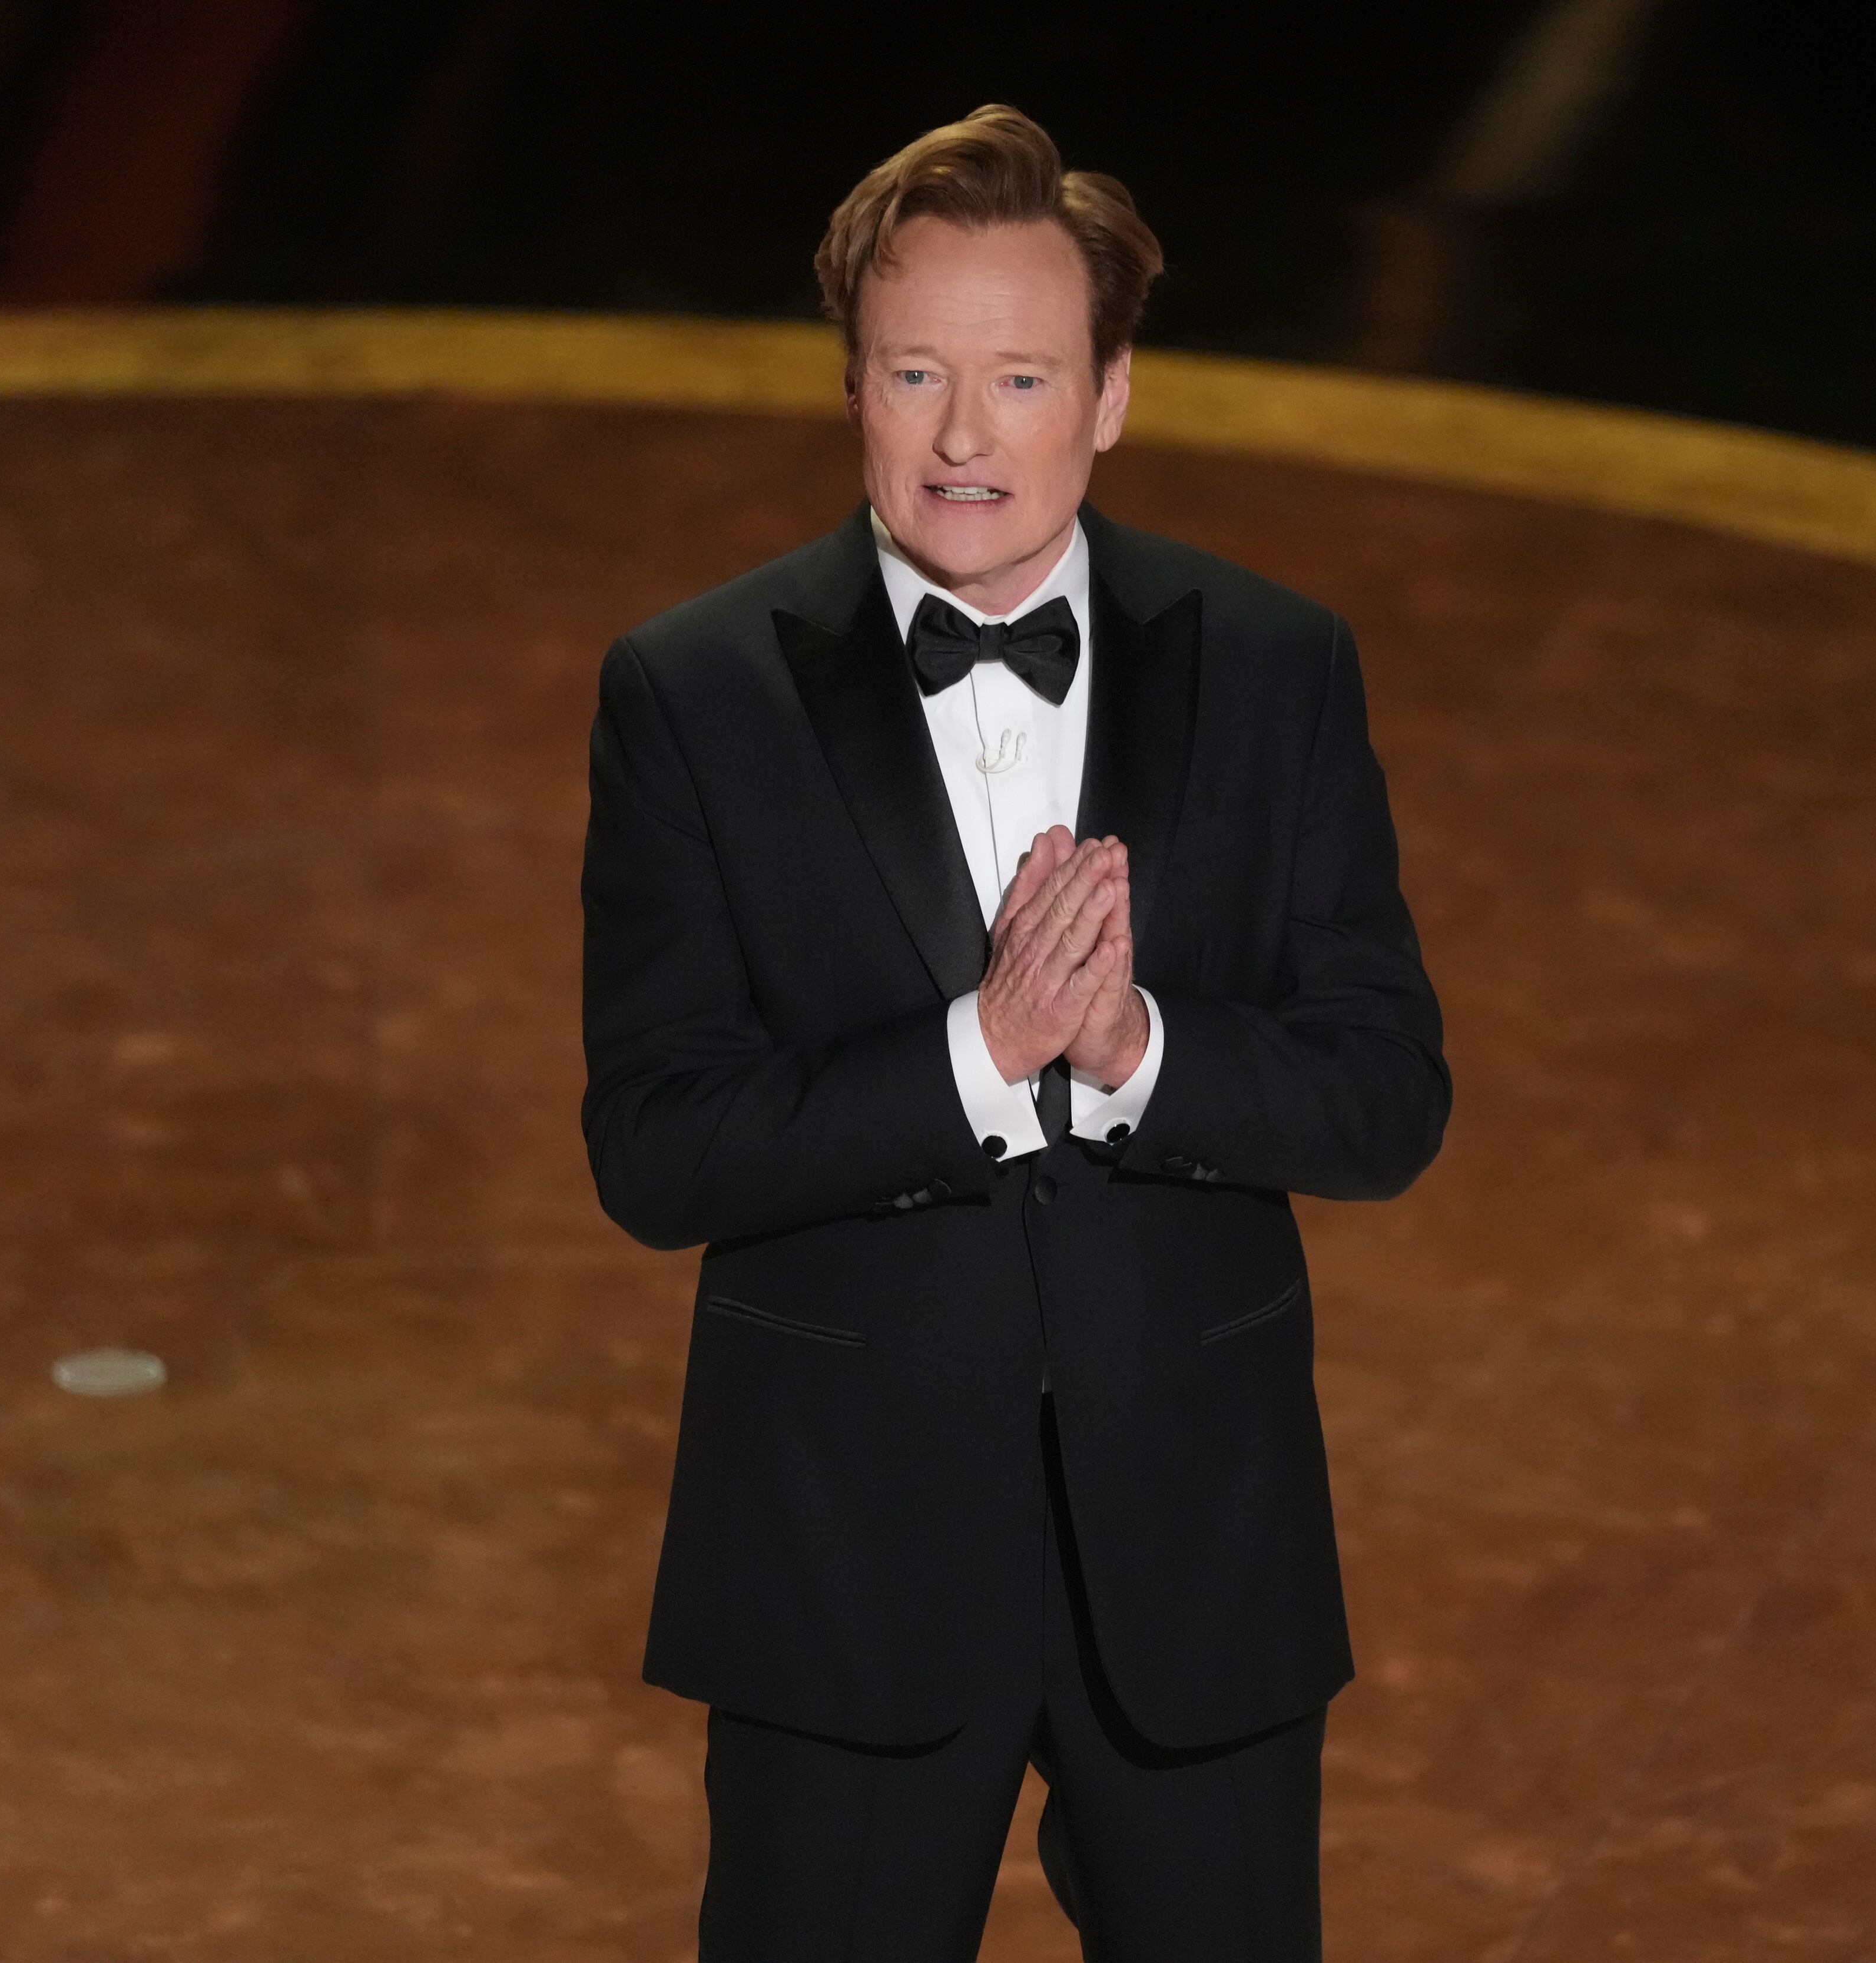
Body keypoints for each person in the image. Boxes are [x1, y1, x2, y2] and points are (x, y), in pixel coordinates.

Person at [579, 103, 1449, 1962]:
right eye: (916, 373)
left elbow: (1385, 1099)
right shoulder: (693, 692)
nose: (966, 435)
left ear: (1112, 396)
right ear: (854, 391)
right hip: (842, 1558)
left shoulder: (1277, 665)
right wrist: (976, 1058)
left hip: (1198, 1558)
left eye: (1022, 376)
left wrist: (1135, 1043)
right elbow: (656, 1146)